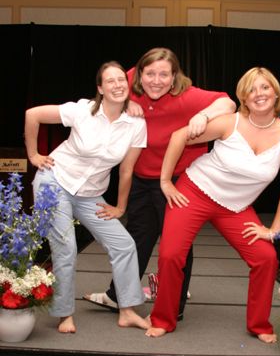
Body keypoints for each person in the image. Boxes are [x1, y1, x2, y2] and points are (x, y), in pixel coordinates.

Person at [145, 66, 280, 343]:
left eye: (264, 87)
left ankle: (259, 324)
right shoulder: (230, 122)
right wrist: (166, 182)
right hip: (194, 192)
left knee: (266, 258)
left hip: (236, 207)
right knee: (171, 255)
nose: (259, 94)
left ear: (276, 93)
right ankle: (163, 319)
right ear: (243, 97)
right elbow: (179, 136)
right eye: (251, 89)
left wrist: (273, 229)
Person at [84, 47, 236, 320]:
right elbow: (114, 82)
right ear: (139, 74)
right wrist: (127, 97)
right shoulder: (131, 78)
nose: (156, 80)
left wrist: (203, 115)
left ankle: (173, 306)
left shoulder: (189, 97)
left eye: (164, 74)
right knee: (137, 239)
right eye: (150, 73)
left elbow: (228, 103)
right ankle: (118, 296)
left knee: (177, 245)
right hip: (141, 178)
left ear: (175, 76)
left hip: (177, 180)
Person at [24, 61, 149, 334]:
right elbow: (32, 115)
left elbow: (127, 169)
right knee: (66, 247)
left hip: (91, 193)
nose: (117, 85)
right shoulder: (81, 111)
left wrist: (120, 207)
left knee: (124, 244)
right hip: (55, 181)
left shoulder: (136, 124)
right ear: (100, 88)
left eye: (121, 80)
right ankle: (64, 314)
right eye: (110, 81)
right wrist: (33, 155)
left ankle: (126, 310)